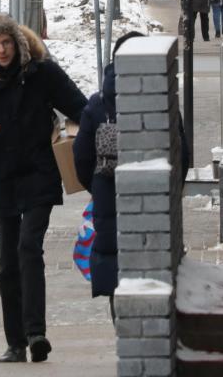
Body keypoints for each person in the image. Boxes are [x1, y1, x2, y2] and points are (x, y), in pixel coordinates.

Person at [0, 13, 87, 364]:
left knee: (29, 247)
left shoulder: (41, 72)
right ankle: (14, 343)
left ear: (17, 42)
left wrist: (81, 139)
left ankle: (36, 333)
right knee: (7, 262)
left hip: (38, 173)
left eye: (6, 43)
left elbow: (80, 106)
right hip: (0, 178)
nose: (1, 51)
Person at [72, 31, 145, 319]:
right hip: (152, 205)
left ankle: (123, 331)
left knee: (116, 272)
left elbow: (81, 157)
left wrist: (97, 187)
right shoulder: (159, 97)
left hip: (108, 201)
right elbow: (181, 152)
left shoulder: (98, 103)